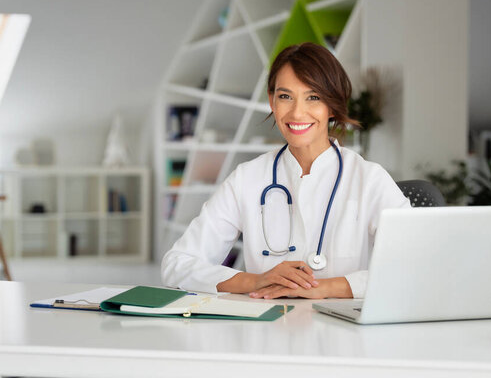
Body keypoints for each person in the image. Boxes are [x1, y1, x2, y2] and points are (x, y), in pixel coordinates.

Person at [162, 42, 410, 299]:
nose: (297, 112)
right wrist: (256, 281)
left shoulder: (368, 178)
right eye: (285, 96)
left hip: (346, 329)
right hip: (268, 326)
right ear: (272, 101)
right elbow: (177, 264)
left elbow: (412, 263)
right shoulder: (247, 179)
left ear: (332, 106)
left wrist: (324, 288)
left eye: (313, 97)